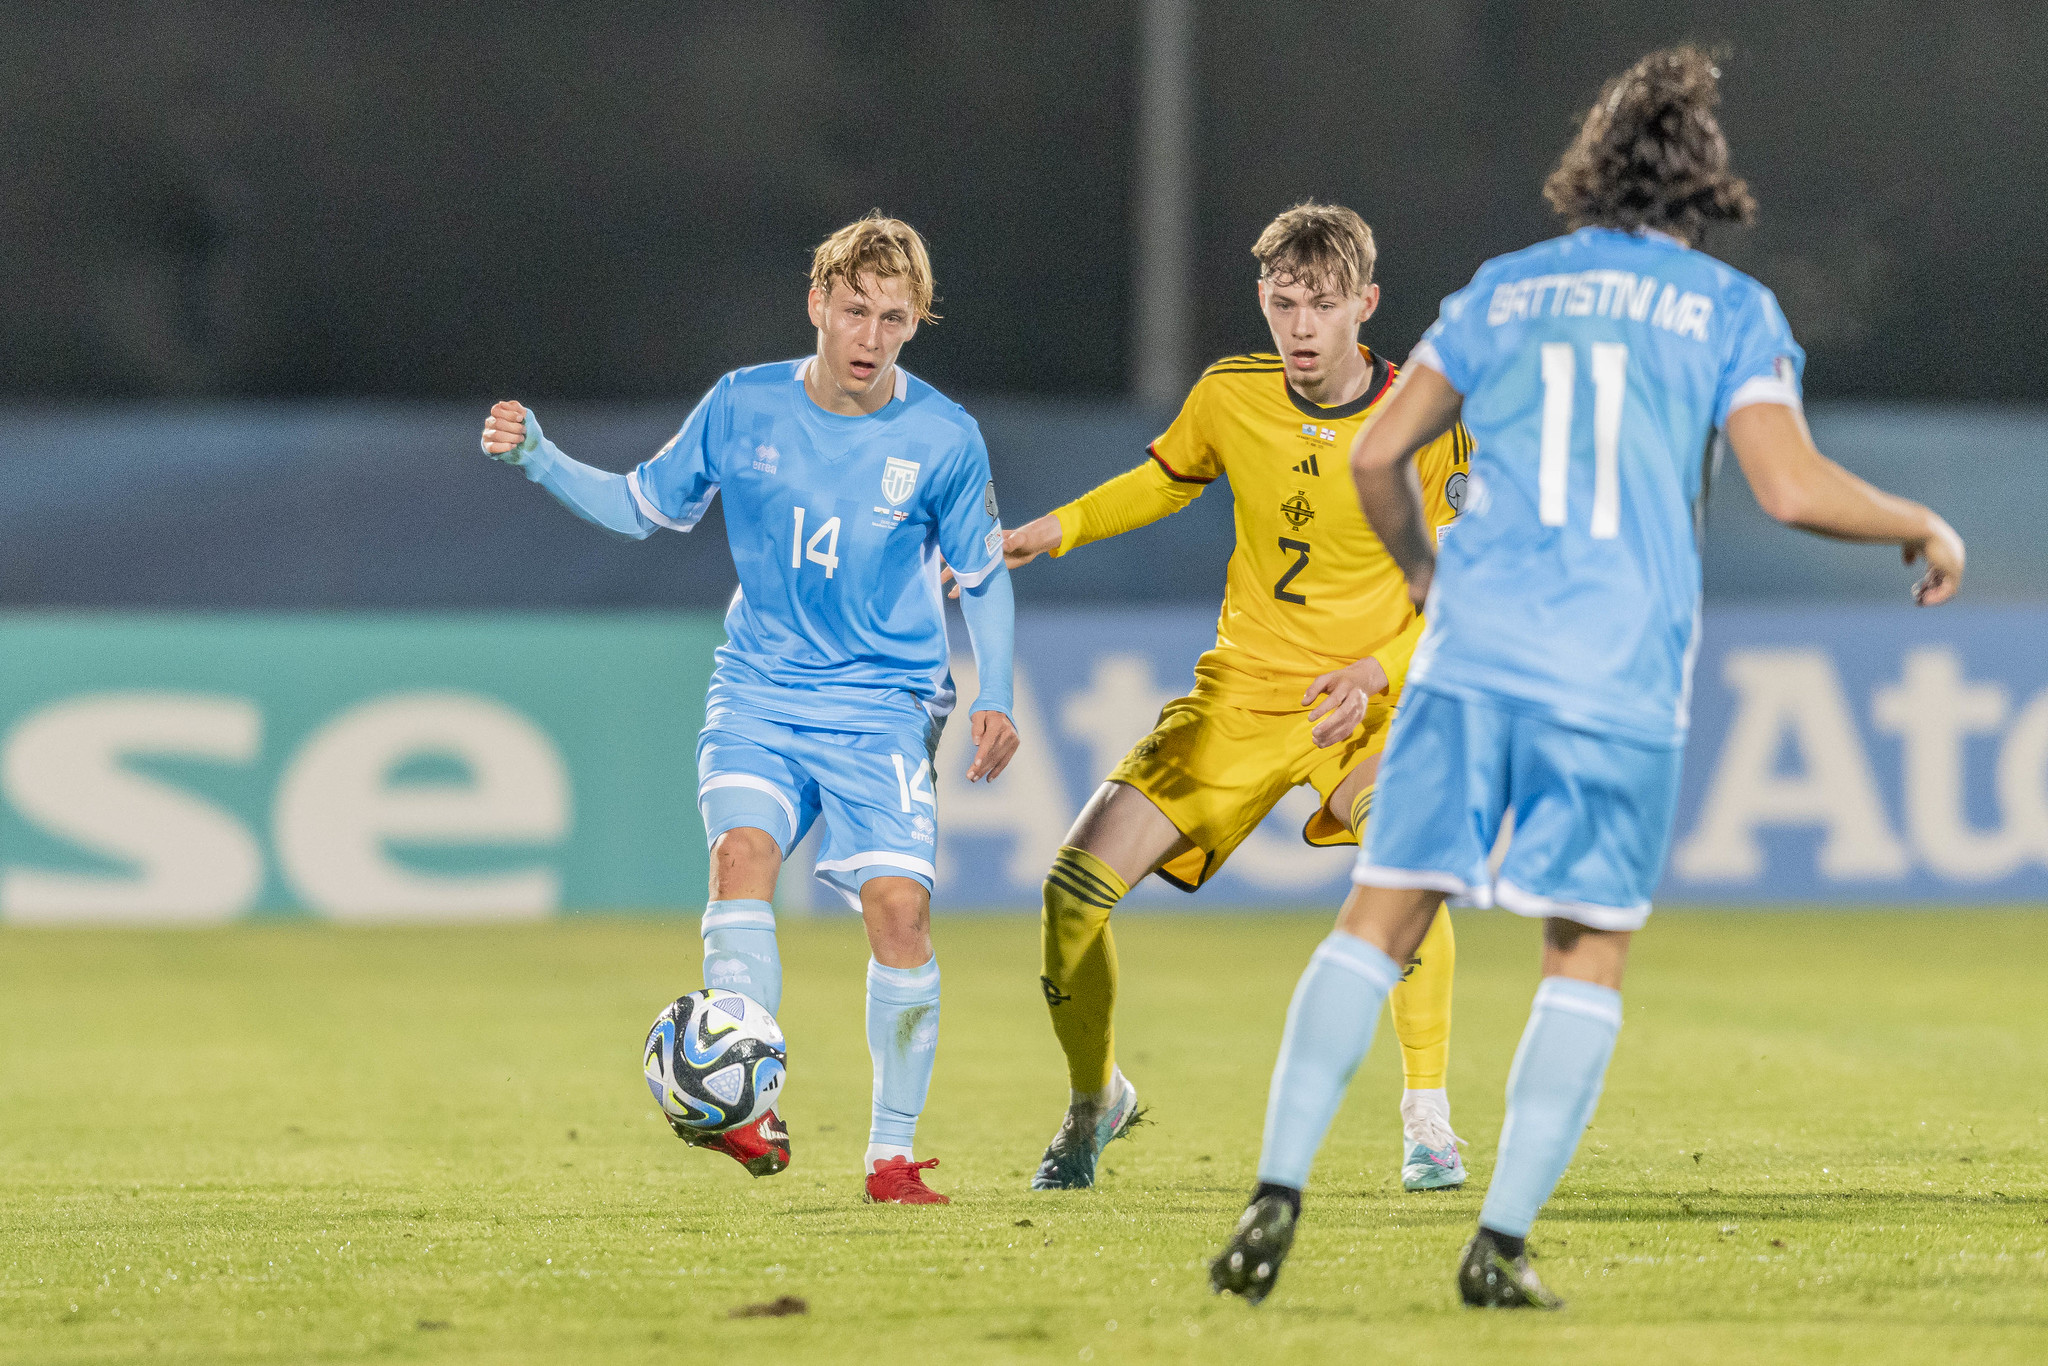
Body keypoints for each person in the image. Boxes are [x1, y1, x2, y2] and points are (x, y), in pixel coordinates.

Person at [1210, 46, 1964, 1307]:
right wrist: (1913, 522)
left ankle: (1274, 1190)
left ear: (1587, 167)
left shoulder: (1500, 292)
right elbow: (1785, 485)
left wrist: (1424, 586)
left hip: (1474, 650)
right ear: (1703, 183)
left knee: (1380, 912)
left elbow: (1380, 458)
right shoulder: (1728, 314)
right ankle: (1496, 1245)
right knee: (1585, 947)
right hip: (1615, 670)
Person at [478, 213, 1020, 1206]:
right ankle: (745, 1104)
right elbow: (643, 506)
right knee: (741, 856)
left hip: (880, 702)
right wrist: (542, 459)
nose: (869, 335)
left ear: (914, 324)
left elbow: (981, 574)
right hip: (760, 688)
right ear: (817, 303)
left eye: (893, 318)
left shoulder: (942, 437)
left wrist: (997, 692)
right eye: (853, 309)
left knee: (899, 912)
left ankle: (890, 1158)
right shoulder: (742, 408)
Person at [998, 203, 1474, 1192]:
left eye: (1322, 303)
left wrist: (1377, 671)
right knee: (1068, 895)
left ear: (1365, 306)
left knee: (1406, 860)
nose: (1299, 324)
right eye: (1283, 300)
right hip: (1242, 701)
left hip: (1375, 704)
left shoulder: (1429, 419)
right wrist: (1054, 529)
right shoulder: (1231, 394)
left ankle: (1426, 1117)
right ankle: (1094, 1103)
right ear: (1263, 299)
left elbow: (1469, 586)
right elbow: (1164, 480)